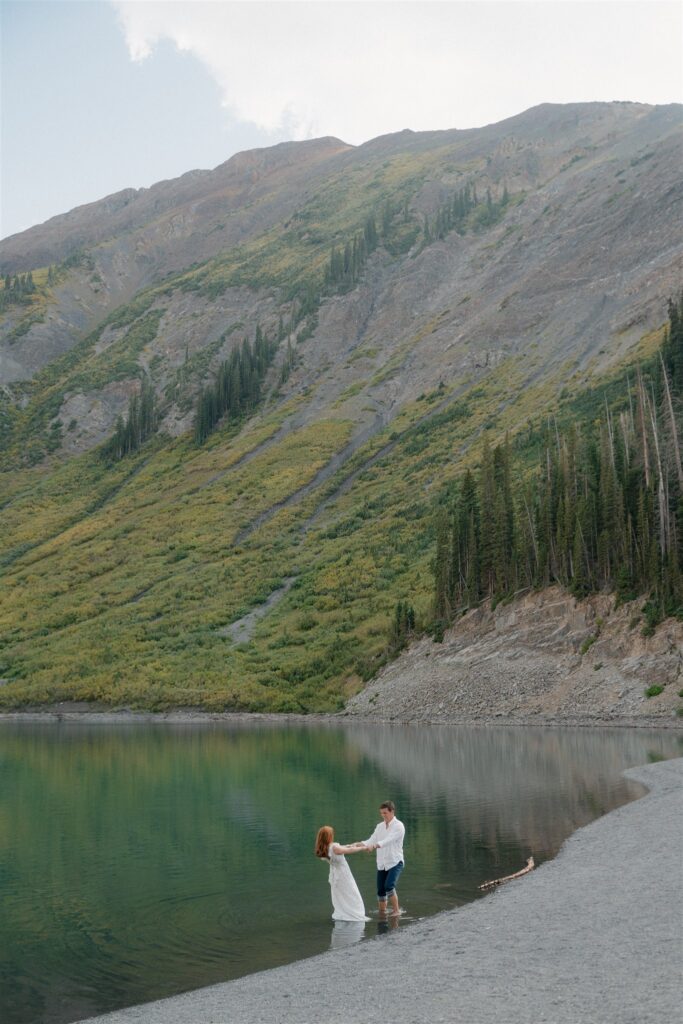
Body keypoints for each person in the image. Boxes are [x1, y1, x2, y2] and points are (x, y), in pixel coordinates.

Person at [359, 800, 405, 915]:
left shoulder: (399, 826)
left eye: (385, 813)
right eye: (381, 813)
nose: (383, 815)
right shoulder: (379, 826)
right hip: (382, 863)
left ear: (392, 812)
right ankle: (382, 913)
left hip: (395, 861)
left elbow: (387, 841)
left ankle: (396, 911)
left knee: (389, 886)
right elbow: (371, 840)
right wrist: (357, 845)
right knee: (380, 890)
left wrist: (374, 846)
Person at [315, 826, 369, 922]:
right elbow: (348, 851)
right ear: (329, 836)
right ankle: (354, 914)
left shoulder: (325, 848)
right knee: (352, 894)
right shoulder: (334, 848)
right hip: (343, 874)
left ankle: (344, 912)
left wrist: (352, 845)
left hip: (335, 875)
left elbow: (344, 847)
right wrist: (362, 848)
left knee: (341, 896)